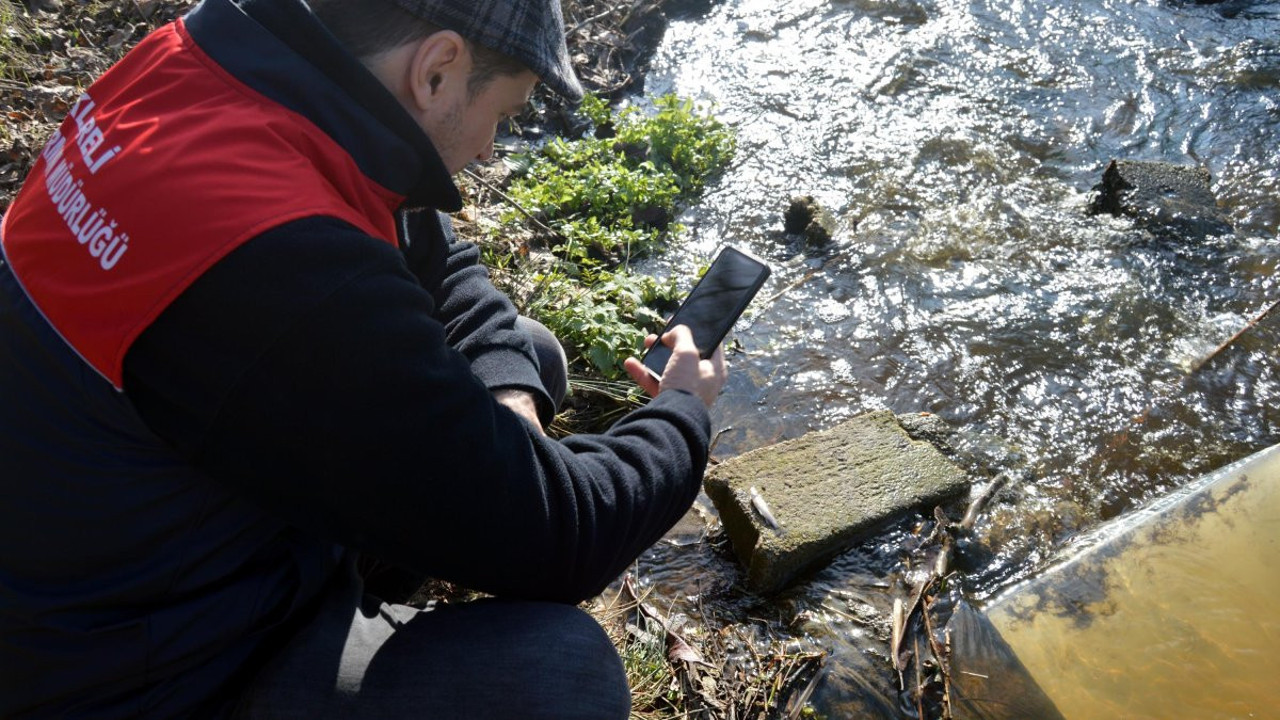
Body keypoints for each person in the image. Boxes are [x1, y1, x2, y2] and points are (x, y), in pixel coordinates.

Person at [0, 0, 727, 717]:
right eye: (503, 115)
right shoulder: (286, 275)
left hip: (113, 536)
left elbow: (431, 247)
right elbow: (565, 542)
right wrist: (683, 412)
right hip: (124, 671)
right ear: (438, 69)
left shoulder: (210, 61)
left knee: (526, 357)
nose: (489, 151)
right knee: (558, 675)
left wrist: (510, 406)